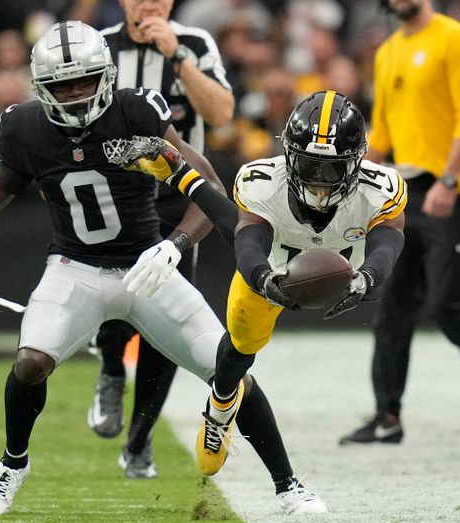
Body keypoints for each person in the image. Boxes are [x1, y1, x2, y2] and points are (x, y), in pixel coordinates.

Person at [0, 21, 326, 515]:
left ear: (107, 76)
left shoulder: (137, 111)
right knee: (30, 362)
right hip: (75, 267)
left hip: (147, 268)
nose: (74, 94)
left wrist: (175, 246)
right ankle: (12, 465)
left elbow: (208, 189)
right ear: (40, 88)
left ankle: (288, 485)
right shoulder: (24, 129)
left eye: (85, 81)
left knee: (232, 371)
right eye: (62, 84)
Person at [109, 90, 406, 478]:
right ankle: (219, 408)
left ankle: (179, 172)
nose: (318, 180)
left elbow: (389, 241)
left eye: (330, 169)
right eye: (310, 166)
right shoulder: (263, 181)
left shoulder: (380, 188)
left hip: (340, 274)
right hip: (273, 266)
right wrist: (263, 278)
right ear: (289, 155)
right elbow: (246, 239)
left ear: (355, 164)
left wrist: (367, 278)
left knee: (379, 288)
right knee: (238, 351)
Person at [339, 0, 460, 445]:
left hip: (456, 188)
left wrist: (449, 181)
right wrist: (348, 182)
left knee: (447, 305)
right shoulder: (388, 49)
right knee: (392, 305)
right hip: (404, 187)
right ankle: (386, 416)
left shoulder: (457, 39)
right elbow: (385, 131)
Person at [86, 0, 235, 480]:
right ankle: (111, 367)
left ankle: (139, 440)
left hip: (178, 198)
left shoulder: (193, 44)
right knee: (110, 300)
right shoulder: (100, 45)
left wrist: (177, 58)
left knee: (166, 324)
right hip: (117, 196)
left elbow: (222, 113)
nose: (150, 3)